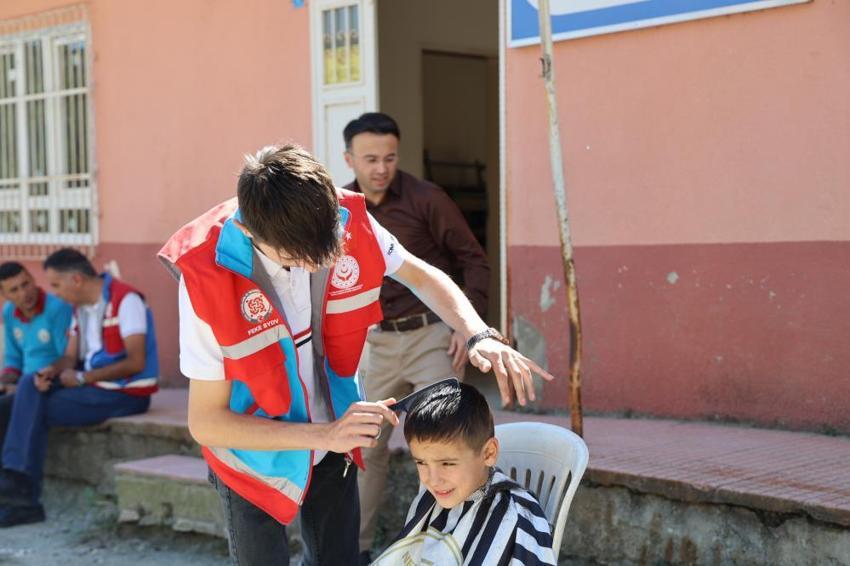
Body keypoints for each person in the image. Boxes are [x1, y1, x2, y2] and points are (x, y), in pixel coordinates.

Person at [158, 143, 551, 566]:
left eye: (325, 251)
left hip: (336, 437)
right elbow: (206, 422)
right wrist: (323, 434)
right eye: (296, 258)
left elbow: (421, 275)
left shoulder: (348, 219)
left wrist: (477, 333)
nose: (313, 266)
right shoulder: (204, 276)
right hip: (251, 454)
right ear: (251, 233)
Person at [342, 112, 491, 559]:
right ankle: (357, 550)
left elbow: (474, 260)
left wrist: (469, 329)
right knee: (363, 449)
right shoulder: (338, 207)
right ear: (350, 159)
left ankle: (460, 548)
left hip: (429, 336)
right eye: (369, 159)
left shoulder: (428, 199)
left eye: (389, 158)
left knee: (449, 440)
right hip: (373, 344)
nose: (380, 168)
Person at [0, 249, 158, 527]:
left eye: (56, 285)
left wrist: (84, 378)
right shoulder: (79, 309)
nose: (54, 293)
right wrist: (51, 371)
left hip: (125, 394)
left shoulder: (126, 300)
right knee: (25, 390)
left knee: (28, 406)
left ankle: (22, 495)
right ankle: (15, 489)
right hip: (94, 387)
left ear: (75, 280)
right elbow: (70, 358)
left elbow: (136, 362)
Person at [372, 382, 556, 566]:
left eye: (447, 463)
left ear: (489, 453)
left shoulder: (516, 516)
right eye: (421, 462)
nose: (433, 479)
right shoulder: (428, 503)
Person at [0, 262, 73, 454]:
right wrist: (5, 381)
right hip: (24, 383)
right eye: (14, 290)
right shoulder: (8, 312)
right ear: (5, 296)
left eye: (25, 284)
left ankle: (12, 474)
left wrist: (30, 381)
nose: (24, 293)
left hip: (51, 382)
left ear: (33, 280)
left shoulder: (57, 308)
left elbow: (68, 358)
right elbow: (13, 359)